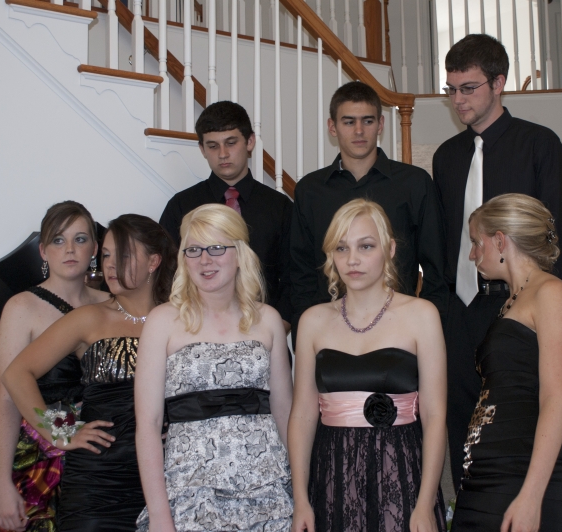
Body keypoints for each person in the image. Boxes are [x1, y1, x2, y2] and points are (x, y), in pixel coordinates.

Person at [432, 33, 562, 489]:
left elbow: (555, 240)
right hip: (459, 310)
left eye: (468, 88)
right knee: (460, 421)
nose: (458, 99)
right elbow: (446, 241)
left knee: (518, 417)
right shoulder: (446, 157)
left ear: (499, 83)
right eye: (451, 89)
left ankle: (527, 502)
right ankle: (470, 507)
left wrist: (542, 310)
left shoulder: (539, 144)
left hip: (518, 308)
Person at [3, 214, 177, 532]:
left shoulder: (182, 318)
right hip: (97, 483)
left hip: (170, 478)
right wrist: (59, 431)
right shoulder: (89, 318)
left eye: (123, 255)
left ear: (153, 261)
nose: (110, 265)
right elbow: (17, 374)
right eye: (106, 255)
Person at [288, 199, 447, 532]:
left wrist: (424, 504)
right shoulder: (312, 321)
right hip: (331, 473)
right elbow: (302, 415)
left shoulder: (422, 315)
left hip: (401, 471)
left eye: (366, 246)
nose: (352, 260)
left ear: (389, 249)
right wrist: (300, 499)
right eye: (341, 248)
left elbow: (434, 416)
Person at [135, 204, 294, 531]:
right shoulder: (162, 321)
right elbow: (148, 426)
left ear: (240, 254)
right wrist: (160, 514)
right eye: (193, 250)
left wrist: (302, 495)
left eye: (217, 247)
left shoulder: (269, 320)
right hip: (190, 491)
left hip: (268, 491)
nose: (205, 260)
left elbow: (285, 414)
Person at [451, 194, 562, 531]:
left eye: (476, 243)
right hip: (487, 475)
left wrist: (531, 497)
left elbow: (554, 399)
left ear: (500, 241)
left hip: (521, 474)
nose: (472, 255)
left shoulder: (550, 292)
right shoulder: (509, 303)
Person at [0, 201, 109, 532]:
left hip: (102, 455)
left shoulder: (113, 304)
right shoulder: (22, 307)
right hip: (39, 458)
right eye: (58, 240)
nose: (70, 249)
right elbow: (8, 398)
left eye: (80, 239)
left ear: (95, 248)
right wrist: (3, 481)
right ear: (43, 250)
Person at [289, 81, 449, 343]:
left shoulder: (414, 183)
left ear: (381, 124)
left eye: (368, 121)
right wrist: (306, 333)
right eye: (348, 122)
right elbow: (300, 271)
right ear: (332, 127)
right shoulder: (310, 190)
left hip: (400, 330)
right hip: (329, 331)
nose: (359, 130)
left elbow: (437, 269)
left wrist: (431, 330)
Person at [160, 101, 293, 331]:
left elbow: (295, 276)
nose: (223, 154)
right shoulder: (181, 206)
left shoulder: (280, 207)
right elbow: (166, 273)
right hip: (196, 328)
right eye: (213, 146)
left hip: (263, 326)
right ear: (202, 149)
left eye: (231, 143)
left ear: (250, 142)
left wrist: (278, 326)